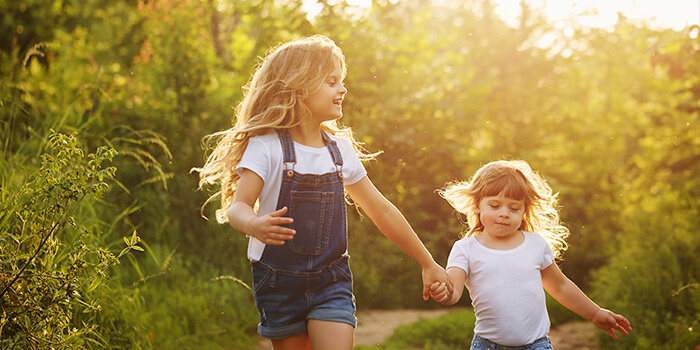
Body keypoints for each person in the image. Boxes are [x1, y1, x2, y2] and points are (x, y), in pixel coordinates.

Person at [193, 35, 453, 350]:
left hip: (331, 278)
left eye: (341, 81)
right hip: (278, 280)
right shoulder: (267, 147)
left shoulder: (340, 151)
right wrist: (253, 225)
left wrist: (427, 262)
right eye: (331, 82)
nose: (342, 89)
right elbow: (240, 207)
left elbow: (381, 210)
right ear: (300, 87)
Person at [428, 160, 632, 350]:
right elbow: (453, 291)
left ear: (524, 211)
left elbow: (560, 286)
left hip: (537, 345)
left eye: (514, 208)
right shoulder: (466, 249)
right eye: (495, 205)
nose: (504, 213)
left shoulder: (535, 245)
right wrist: (444, 293)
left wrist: (595, 313)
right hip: (487, 346)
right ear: (477, 206)